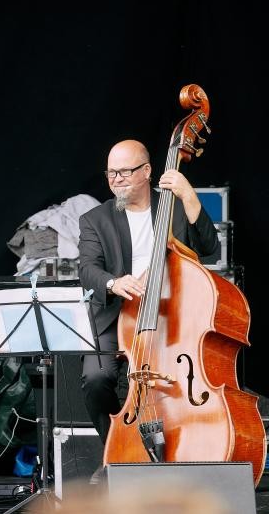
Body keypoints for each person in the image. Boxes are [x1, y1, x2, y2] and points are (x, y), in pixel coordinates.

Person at [77, 139, 219, 479]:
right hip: (116, 315)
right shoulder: (95, 219)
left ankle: (188, 453)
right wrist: (114, 283)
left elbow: (210, 250)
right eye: (111, 173)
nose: (117, 179)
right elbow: (87, 268)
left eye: (125, 171)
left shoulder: (172, 205)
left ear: (147, 171)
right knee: (95, 378)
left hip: (173, 315)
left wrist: (189, 197)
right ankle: (115, 449)